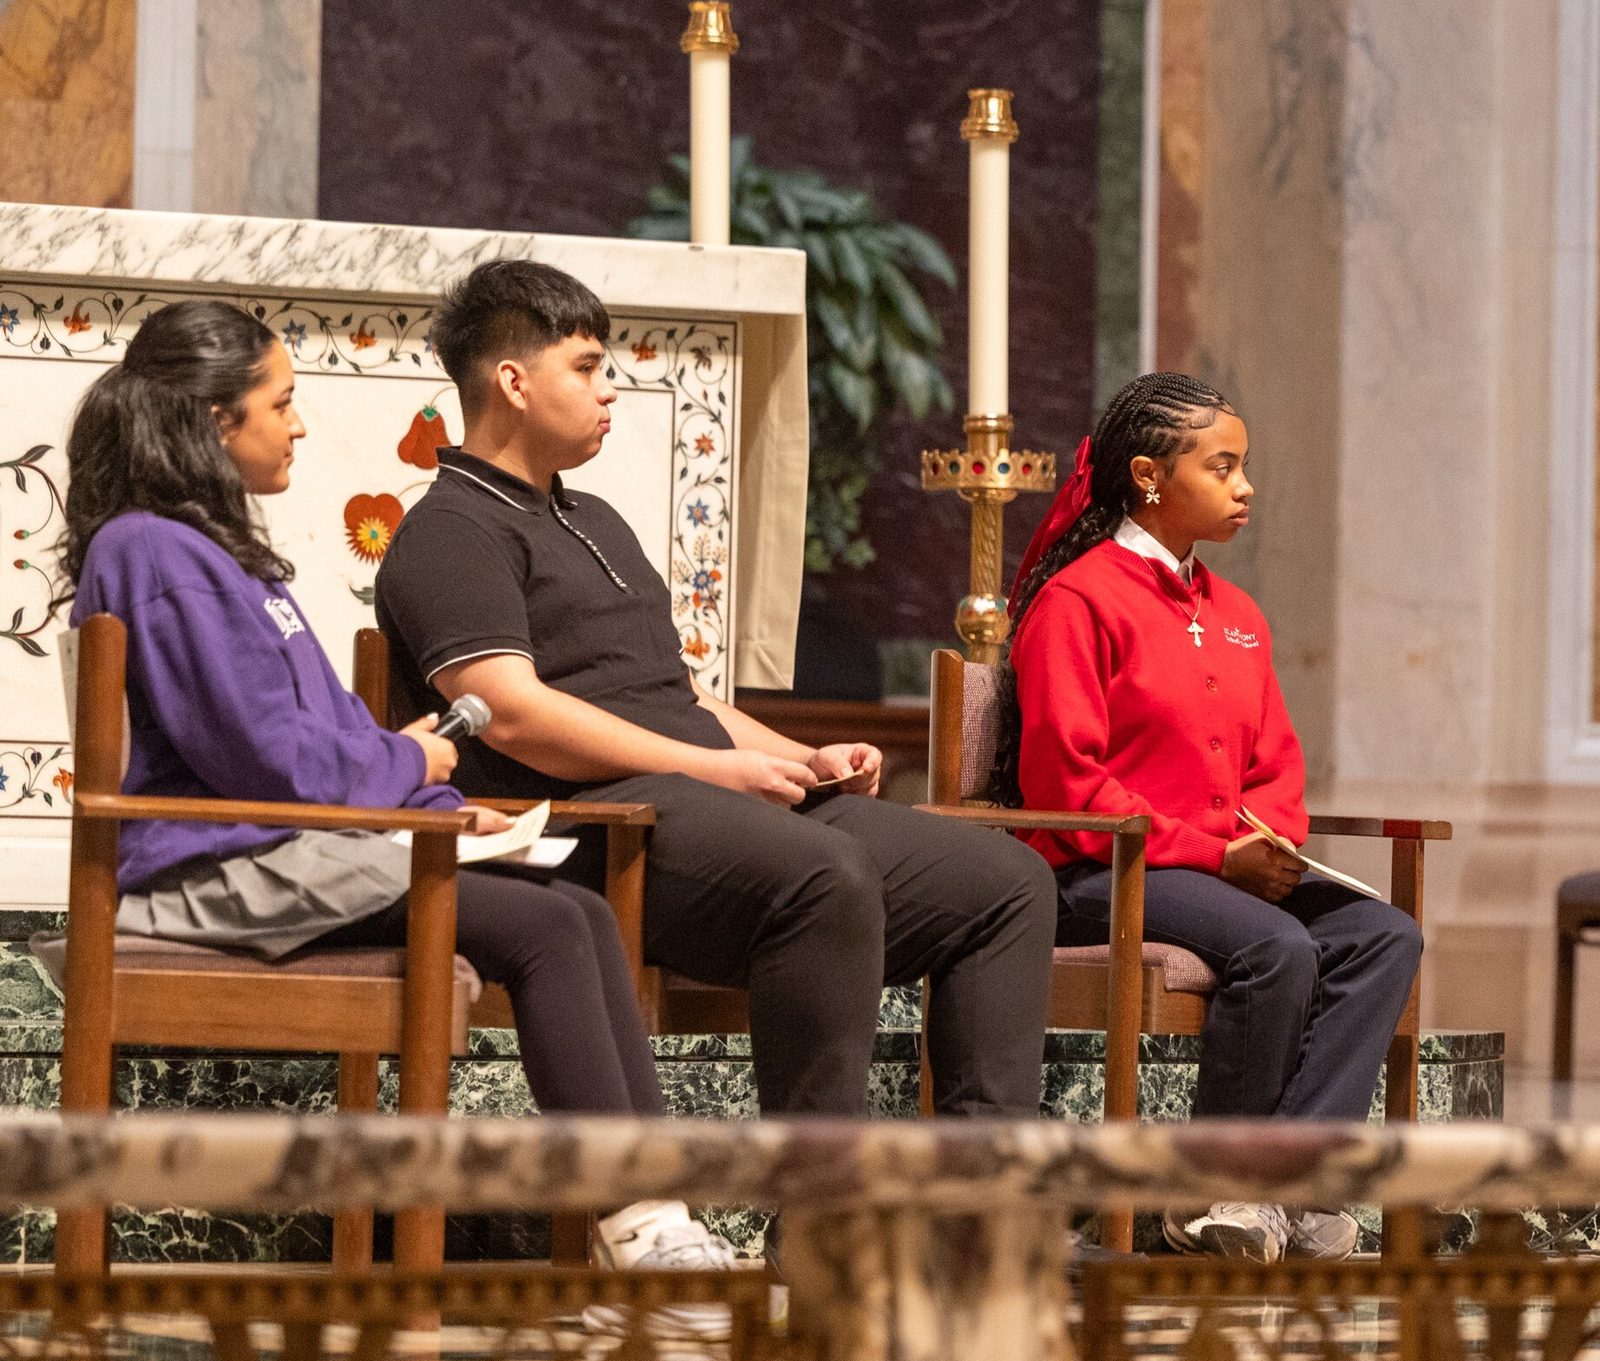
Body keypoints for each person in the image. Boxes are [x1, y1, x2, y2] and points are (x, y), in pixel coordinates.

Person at [58, 299, 731, 1299]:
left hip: (277, 846)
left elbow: (313, 740)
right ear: (211, 421)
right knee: (544, 931)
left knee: (576, 913)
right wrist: (411, 772)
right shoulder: (154, 552)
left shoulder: (209, 550)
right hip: (202, 869)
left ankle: (647, 1212)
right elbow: (267, 764)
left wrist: (436, 804)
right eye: (280, 404)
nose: (297, 424)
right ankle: (638, 1225)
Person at [374, 260, 1057, 1123]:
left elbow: (679, 694)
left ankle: (983, 1204)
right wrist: (712, 770)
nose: (607, 391)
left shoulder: (595, 520)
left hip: (693, 802)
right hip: (592, 829)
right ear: (512, 381)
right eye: (585, 368)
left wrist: (798, 757)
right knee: (827, 877)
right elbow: (509, 712)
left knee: (1005, 880)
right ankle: (820, 1212)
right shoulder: (448, 530)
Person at [992, 372, 1423, 1263]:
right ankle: (1211, 1190)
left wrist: (1265, 838)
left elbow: (1277, 766)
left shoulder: (1238, 615)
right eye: (1223, 467)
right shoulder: (1079, 600)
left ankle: (1295, 1183)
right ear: (1150, 476)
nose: (1245, 486)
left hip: (1224, 874)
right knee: (1278, 947)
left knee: (1385, 937)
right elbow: (1068, 783)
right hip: (1098, 872)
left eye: (1246, 467)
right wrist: (1213, 858)